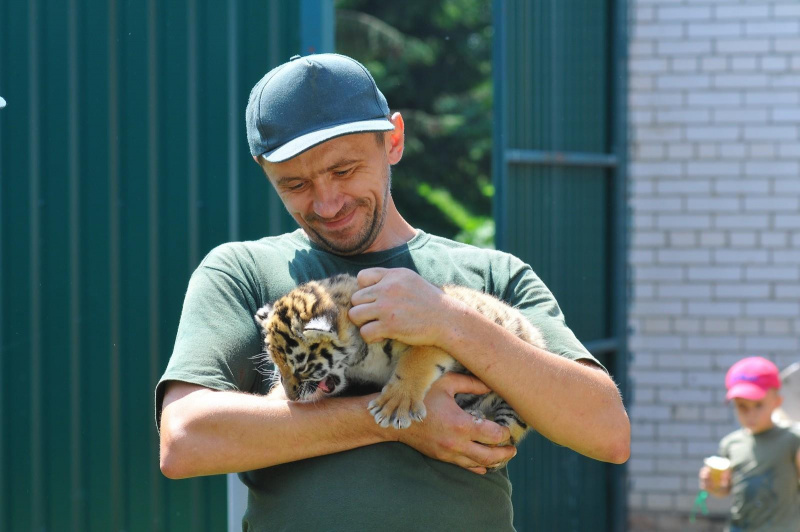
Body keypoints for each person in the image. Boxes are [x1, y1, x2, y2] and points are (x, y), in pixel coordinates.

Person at [156, 53, 630, 531]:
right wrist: (391, 419)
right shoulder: (243, 271)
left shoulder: (492, 274)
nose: (327, 202)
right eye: (295, 184)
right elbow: (185, 442)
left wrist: (449, 321)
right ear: (265, 172)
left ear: (394, 140)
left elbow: (606, 433)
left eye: (344, 170)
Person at [699, 356, 800, 532]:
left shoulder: (792, 439)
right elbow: (726, 489)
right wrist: (713, 487)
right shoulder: (731, 444)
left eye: (758, 405)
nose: (750, 414)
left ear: (777, 402)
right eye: (742, 406)